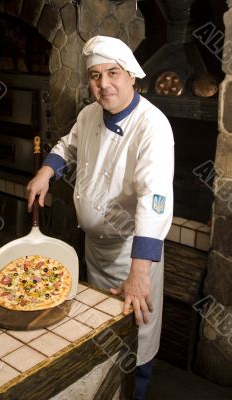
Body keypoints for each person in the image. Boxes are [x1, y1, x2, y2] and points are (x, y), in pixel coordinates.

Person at [27, 35, 174, 399]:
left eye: (113, 73)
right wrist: (47, 171)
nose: (103, 84)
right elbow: (68, 145)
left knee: (136, 340)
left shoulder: (151, 126)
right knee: (101, 334)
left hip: (133, 256)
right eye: (95, 75)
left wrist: (139, 273)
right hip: (95, 249)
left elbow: (154, 200)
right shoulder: (89, 113)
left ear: (131, 76)